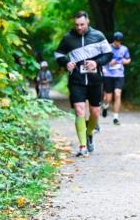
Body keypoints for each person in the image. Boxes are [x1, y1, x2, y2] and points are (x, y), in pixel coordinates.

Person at [54, 11, 113, 157]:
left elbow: (109, 54)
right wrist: (66, 62)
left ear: (88, 22)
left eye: (82, 24)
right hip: (77, 80)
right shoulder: (68, 38)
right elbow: (58, 54)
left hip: (95, 80)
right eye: (76, 25)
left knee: (95, 113)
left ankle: (89, 133)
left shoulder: (98, 36)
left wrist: (96, 62)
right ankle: (82, 146)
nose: (79, 27)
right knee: (80, 111)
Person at [101, 31, 130, 125]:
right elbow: (101, 60)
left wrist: (125, 61)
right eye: (117, 41)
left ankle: (115, 118)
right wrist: (108, 62)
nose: (118, 43)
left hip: (119, 74)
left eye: (120, 42)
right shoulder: (107, 48)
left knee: (118, 94)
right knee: (108, 98)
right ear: (114, 40)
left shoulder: (124, 49)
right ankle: (105, 106)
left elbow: (128, 59)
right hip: (108, 75)